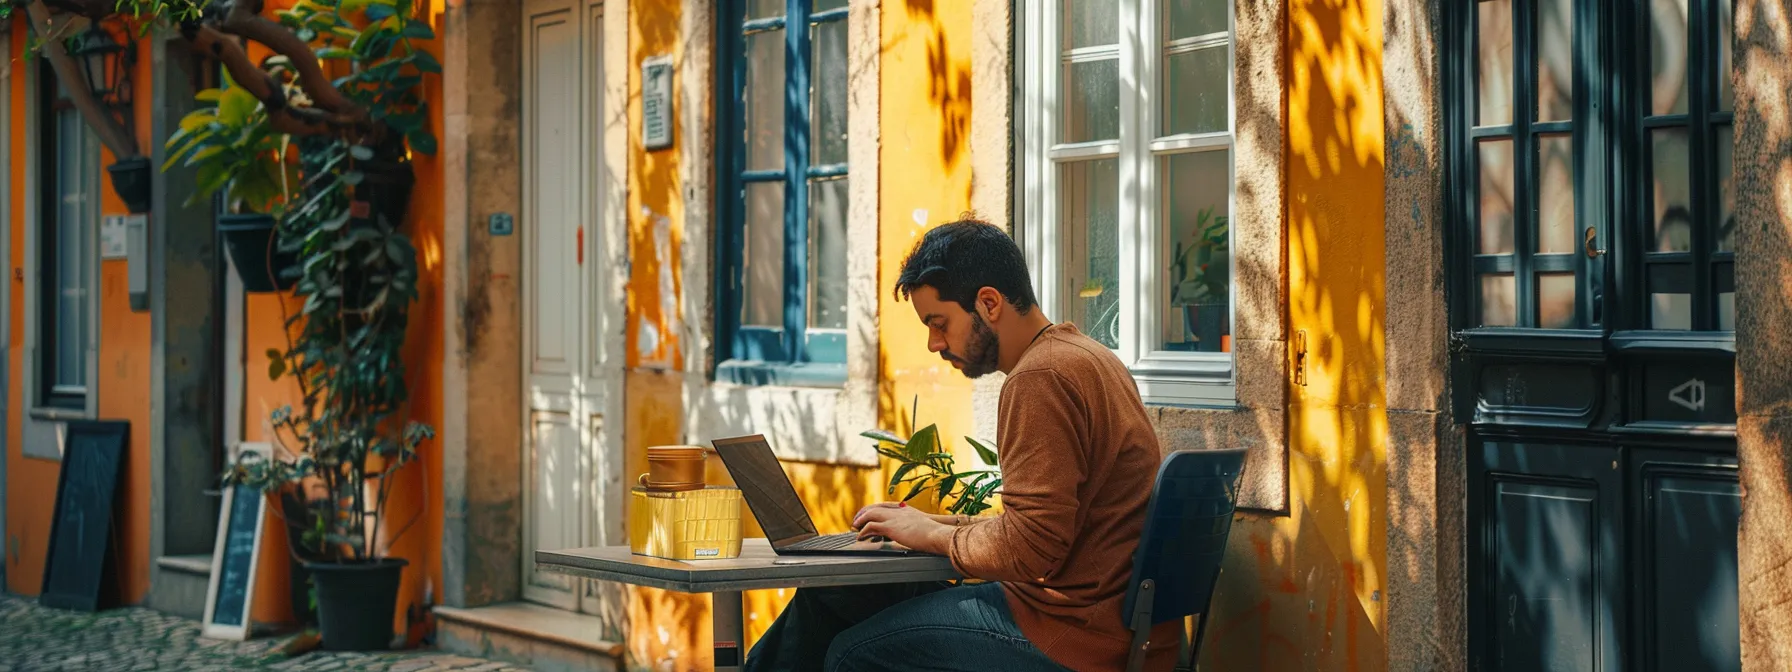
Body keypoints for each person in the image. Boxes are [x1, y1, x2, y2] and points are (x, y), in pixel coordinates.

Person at [741, 217, 1182, 672]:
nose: (933, 343)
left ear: (988, 303)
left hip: (1072, 636)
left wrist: (932, 536)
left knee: (851, 653)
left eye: (939, 322)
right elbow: (1046, 523)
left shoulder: (1040, 378)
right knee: (836, 599)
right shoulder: (1089, 358)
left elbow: (1031, 548)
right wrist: (931, 522)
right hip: (1101, 622)